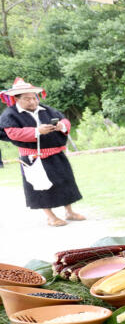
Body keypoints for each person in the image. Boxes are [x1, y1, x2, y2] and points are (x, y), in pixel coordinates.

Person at [0, 78, 84, 227]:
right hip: (32, 157)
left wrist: (61, 126)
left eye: (34, 98)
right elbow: (13, 133)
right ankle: (50, 216)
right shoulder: (10, 115)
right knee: (40, 186)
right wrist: (36, 131)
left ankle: (69, 211)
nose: (32, 102)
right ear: (16, 99)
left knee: (66, 182)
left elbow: (65, 121)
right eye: (27, 99)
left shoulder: (47, 109)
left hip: (56, 154)